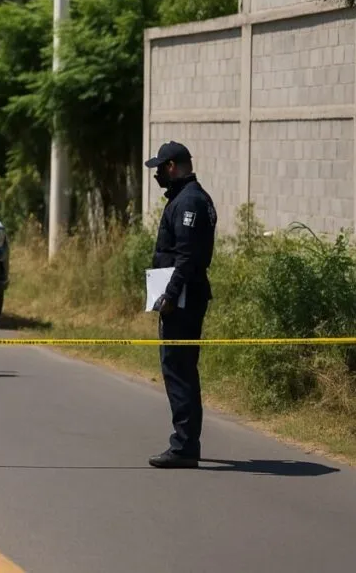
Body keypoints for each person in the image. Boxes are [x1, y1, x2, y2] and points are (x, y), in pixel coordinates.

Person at [145, 141, 217, 469]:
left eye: (160, 168)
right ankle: (187, 442)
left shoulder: (189, 201)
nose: (158, 175)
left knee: (179, 369)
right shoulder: (188, 198)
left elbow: (187, 257)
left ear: (172, 166)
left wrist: (170, 296)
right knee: (180, 368)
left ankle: (185, 446)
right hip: (183, 297)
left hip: (183, 299)